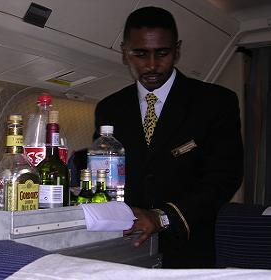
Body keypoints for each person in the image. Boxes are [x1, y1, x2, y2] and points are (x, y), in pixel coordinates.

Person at [93, 6, 243, 268]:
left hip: (189, 246)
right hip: (124, 248)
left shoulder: (215, 102)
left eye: (162, 53)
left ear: (177, 50)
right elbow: (104, 175)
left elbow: (224, 178)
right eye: (140, 53)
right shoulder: (109, 108)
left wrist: (162, 217)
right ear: (124, 52)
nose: (151, 65)